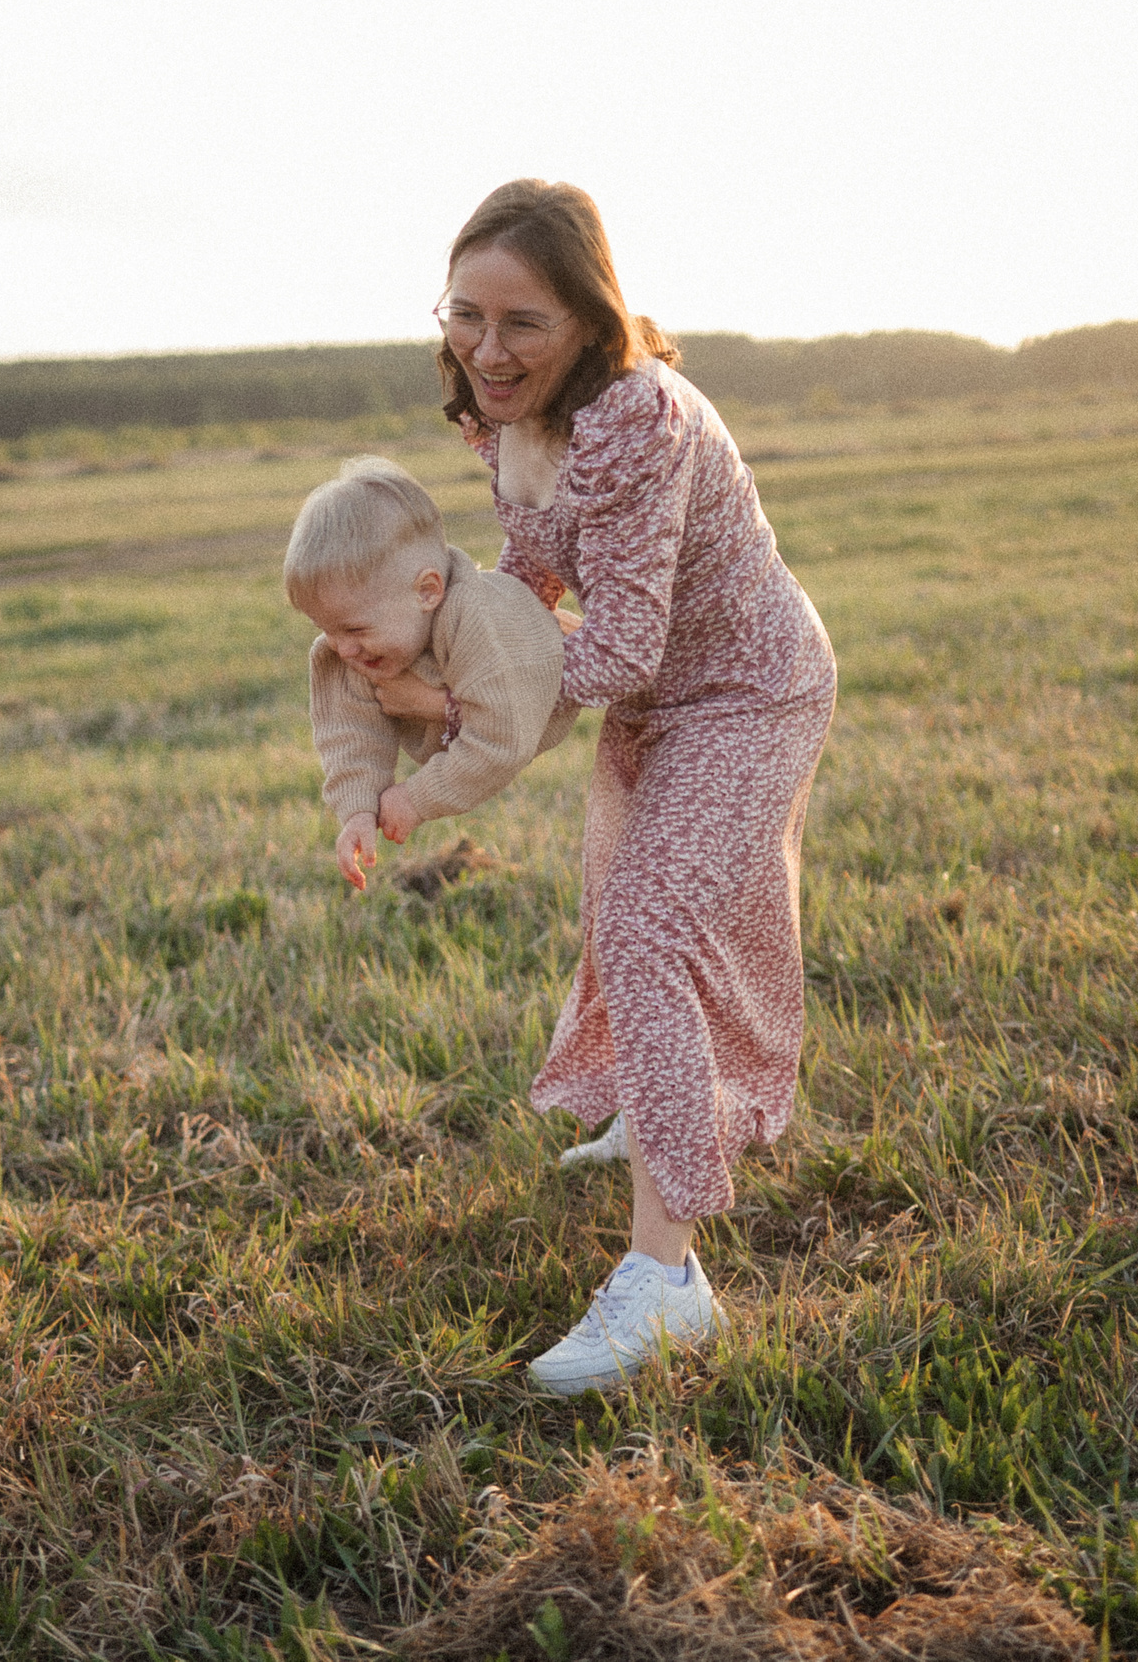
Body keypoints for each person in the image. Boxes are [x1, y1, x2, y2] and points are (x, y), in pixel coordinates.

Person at [372, 180, 836, 1394]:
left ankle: (667, 1283)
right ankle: (653, 1113)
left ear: (589, 316)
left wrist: (462, 707)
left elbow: (616, 646)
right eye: (465, 313)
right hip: (656, 706)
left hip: (750, 693)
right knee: (619, 909)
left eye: (521, 320)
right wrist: (426, 671)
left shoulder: (636, 420)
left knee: (649, 927)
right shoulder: (501, 419)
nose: (486, 346)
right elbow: (531, 577)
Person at [286, 455, 579, 889]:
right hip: (493, 703)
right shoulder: (352, 649)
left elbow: (501, 738)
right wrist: (358, 812)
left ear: (427, 592)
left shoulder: (474, 623)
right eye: (325, 628)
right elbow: (351, 734)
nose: (341, 647)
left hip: (590, 670)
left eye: (353, 628)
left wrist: (416, 799)